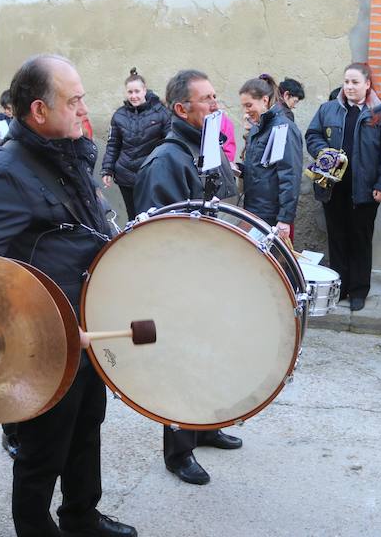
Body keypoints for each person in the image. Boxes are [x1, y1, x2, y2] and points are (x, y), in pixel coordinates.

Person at [0, 54, 137, 537]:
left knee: (86, 428)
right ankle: (35, 527)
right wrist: (33, 329)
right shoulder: (4, 170)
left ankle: (81, 517)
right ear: (38, 110)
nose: (84, 109)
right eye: (74, 100)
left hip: (86, 325)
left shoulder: (69, 151)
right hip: (44, 340)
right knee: (42, 451)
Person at [133, 69, 242, 486]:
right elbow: (159, 235)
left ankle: (206, 426)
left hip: (208, 274)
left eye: (216, 97)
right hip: (180, 283)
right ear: (181, 109)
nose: (216, 105)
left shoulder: (204, 146)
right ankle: (179, 452)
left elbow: (226, 199)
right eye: (207, 100)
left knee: (211, 357)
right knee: (181, 364)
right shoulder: (166, 160)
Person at [304, 62, 381, 312]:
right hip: (333, 188)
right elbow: (312, 135)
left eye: (355, 82)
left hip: (366, 191)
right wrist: (322, 151)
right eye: (346, 81)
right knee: (337, 238)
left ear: (367, 84)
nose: (349, 87)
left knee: (360, 240)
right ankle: (340, 287)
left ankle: (358, 290)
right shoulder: (329, 109)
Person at [100, 67, 171, 218]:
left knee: (152, 216)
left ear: (144, 90)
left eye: (137, 91)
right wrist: (107, 169)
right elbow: (113, 144)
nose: (134, 96)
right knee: (133, 217)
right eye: (130, 92)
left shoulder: (161, 113)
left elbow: (169, 144)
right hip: (125, 175)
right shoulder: (119, 115)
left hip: (151, 175)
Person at [238, 73, 303, 236]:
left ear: (265, 100)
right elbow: (262, 169)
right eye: (243, 106)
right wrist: (238, 168)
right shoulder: (257, 128)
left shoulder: (281, 128)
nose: (245, 111)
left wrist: (285, 219)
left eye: (249, 105)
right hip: (253, 210)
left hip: (270, 216)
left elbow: (289, 174)